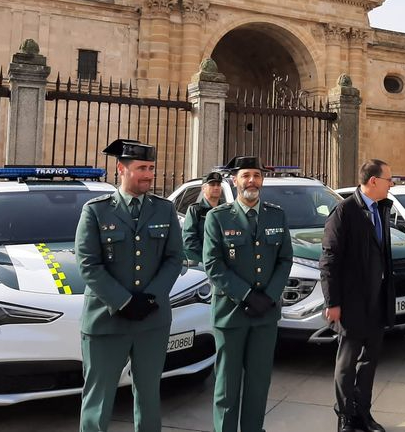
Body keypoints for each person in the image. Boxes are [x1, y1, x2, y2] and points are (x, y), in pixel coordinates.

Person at [75, 138, 184, 432]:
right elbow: (88, 264)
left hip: (152, 319)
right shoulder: (96, 211)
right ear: (121, 169)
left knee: (149, 395)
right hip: (107, 319)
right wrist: (123, 301)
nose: (149, 174)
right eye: (141, 168)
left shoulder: (164, 209)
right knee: (98, 397)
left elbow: (175, 258)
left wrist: (151, 297)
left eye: (151, 168)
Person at [202, 155, 293, 432]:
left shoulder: (276, 214)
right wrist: (246, 295)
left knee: (259, 381)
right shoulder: (218, 217)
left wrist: (269, 295)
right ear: (234, 180)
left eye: (256, 174)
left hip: (265, 314)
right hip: (231, 314)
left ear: (262, 179)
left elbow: (284, 259)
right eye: (245, 175)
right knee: (227, 386)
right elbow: (213, 264)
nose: (251, 180)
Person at [320, 159, 395, 432]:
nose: (392, 184)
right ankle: (344, 416)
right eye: (389, 179)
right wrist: (333, 302)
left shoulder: (382, 209)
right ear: (373, 181)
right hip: (351, 303)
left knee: (370, 361)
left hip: (377, 302)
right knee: (347, 364)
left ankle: (363, 413)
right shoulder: (344, 211)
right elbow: (329, 260)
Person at [182, 171, 225, 264]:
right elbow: (189, 240)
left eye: (218, 184)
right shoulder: (195, 210)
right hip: (201, 263)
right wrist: (208, 257)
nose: (216, 187)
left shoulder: (225, 209)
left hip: (222, 263)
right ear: (203, 188)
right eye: (212, 185)